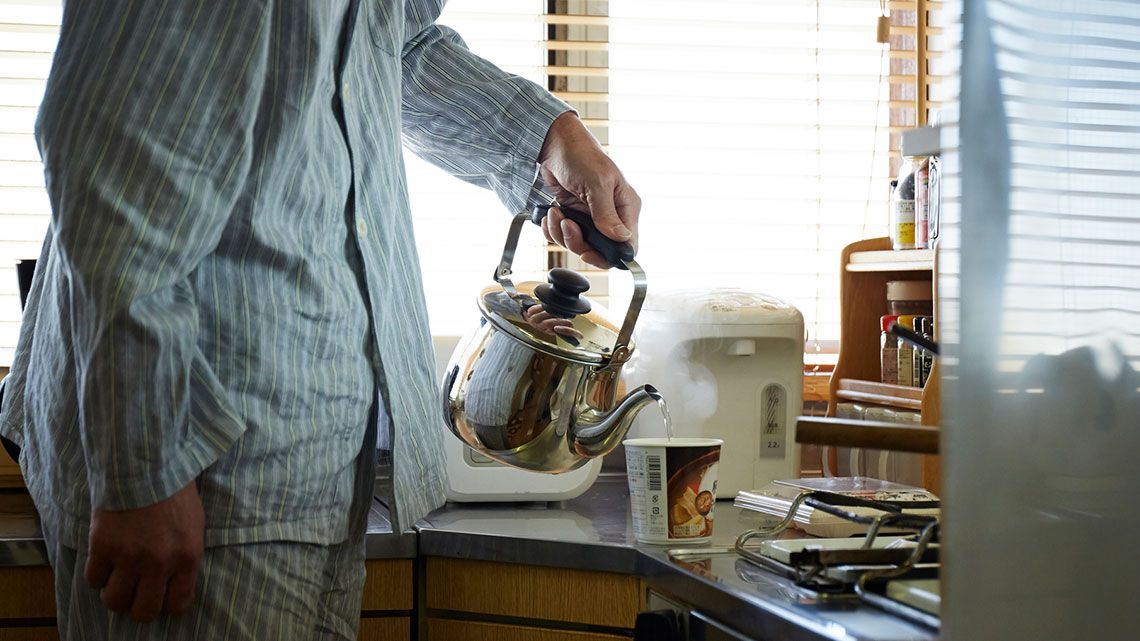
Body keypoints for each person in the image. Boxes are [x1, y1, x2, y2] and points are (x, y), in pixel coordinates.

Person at [0, 1, 640, 639]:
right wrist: (144, 466)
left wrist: (549, 139)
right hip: (206, 465)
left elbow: (390, 46)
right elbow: (115, 158)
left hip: (315, 467)